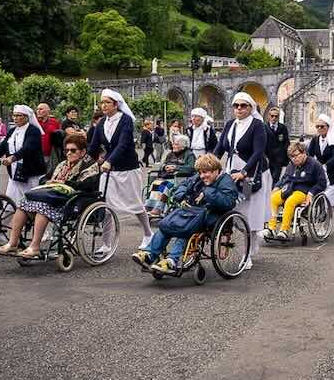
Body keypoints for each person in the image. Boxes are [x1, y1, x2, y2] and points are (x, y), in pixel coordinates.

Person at [0, 134, 101, 258]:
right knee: (22, 205)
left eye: (73, 150)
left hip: (72, 201)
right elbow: (45, 177)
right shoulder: (62, 164)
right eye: (66, 150)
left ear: (83, 152)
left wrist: (64, 183)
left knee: (42, 209)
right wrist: (48, 182)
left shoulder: (90, 165)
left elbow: (86, 185)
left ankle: (35, 246)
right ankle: (12, 243)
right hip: (53, 197)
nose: (69, 153)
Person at [133, 153, 240, 274]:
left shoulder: (226, 181)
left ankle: (171, 260)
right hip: (192, 212)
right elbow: (183, 185)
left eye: (206, 172)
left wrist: (207, 192)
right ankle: (149, 255)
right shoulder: (198, 178)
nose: (202, 176)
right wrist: (181, 195)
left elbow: (228, 202)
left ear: (216, 170)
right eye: (200, 172)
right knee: (166, 225)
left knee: (184, 229)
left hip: (212, 215)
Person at [88, 89, 155, 249]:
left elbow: (123, 144)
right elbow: (94, 145)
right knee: (105, 205)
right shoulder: (102, 123)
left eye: (107, 102)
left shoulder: (125, 120)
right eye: (102, 102)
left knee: (135, 203)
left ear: (116, 105)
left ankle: (148, 233)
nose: (103, 105)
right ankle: (106, 243)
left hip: (127, 168)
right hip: (108, 170)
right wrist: (87, 158)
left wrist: (109, 161)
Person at [213, 91, 271, 269]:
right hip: (232, 171)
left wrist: (245, 172)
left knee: (249, 212)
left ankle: (248, 253)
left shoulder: (257, 125)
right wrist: (208, 165)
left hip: (252, 173)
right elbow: (220, 148)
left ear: (251, 107)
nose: (239, 109)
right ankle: (251, 238)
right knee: (232, 207)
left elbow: (258, 151)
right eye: (236, 105)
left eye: (243, 105)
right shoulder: (230, 124)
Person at [266, 141, 327, 241]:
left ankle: (284, 230)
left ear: (303, 153)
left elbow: (322, 183)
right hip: (289, 189)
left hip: (304, 191)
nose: (294, 159)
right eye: (291, 157)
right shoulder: (291, 165)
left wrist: (311, 193)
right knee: (273, 198)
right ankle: (271, 228)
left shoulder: (315, 165)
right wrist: (276, 187)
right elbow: (284, 178)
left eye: (296, 155)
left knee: (290, 201)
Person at [0, 105, 47, 203]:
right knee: (11, 204)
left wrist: (13, 158)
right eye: (14, 115)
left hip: (30, 173)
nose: (15, 118)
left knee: (31, 202)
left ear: (26, 117)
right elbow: (2, 148)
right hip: (15, 172)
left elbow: (28, 148)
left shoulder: (33, 131)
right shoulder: (12, 131)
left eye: (18, 115)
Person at [145, 134, 196, 216]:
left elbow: (191, 168)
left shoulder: (189, 154)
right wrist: (165, 167)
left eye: (176, 144)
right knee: (156, 184)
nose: (173, 146)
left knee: (165, 185)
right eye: (173, 144)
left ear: (183, 146)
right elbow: (163, 164)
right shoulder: (170, 154)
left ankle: (158, 208)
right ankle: (149, 207)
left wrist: (176, 168)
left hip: (180, 179)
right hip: (167, 177)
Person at [265, 106, 290, 183]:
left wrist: (285, 156)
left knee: (275, 178)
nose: (274, 118)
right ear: (269, 116)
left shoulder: (283, 128)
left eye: (276, 116)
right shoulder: (264, 127)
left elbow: (286, 142)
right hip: (268, 158)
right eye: (272, 116)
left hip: (279, 159)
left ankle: (273, 193)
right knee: (267, 178)